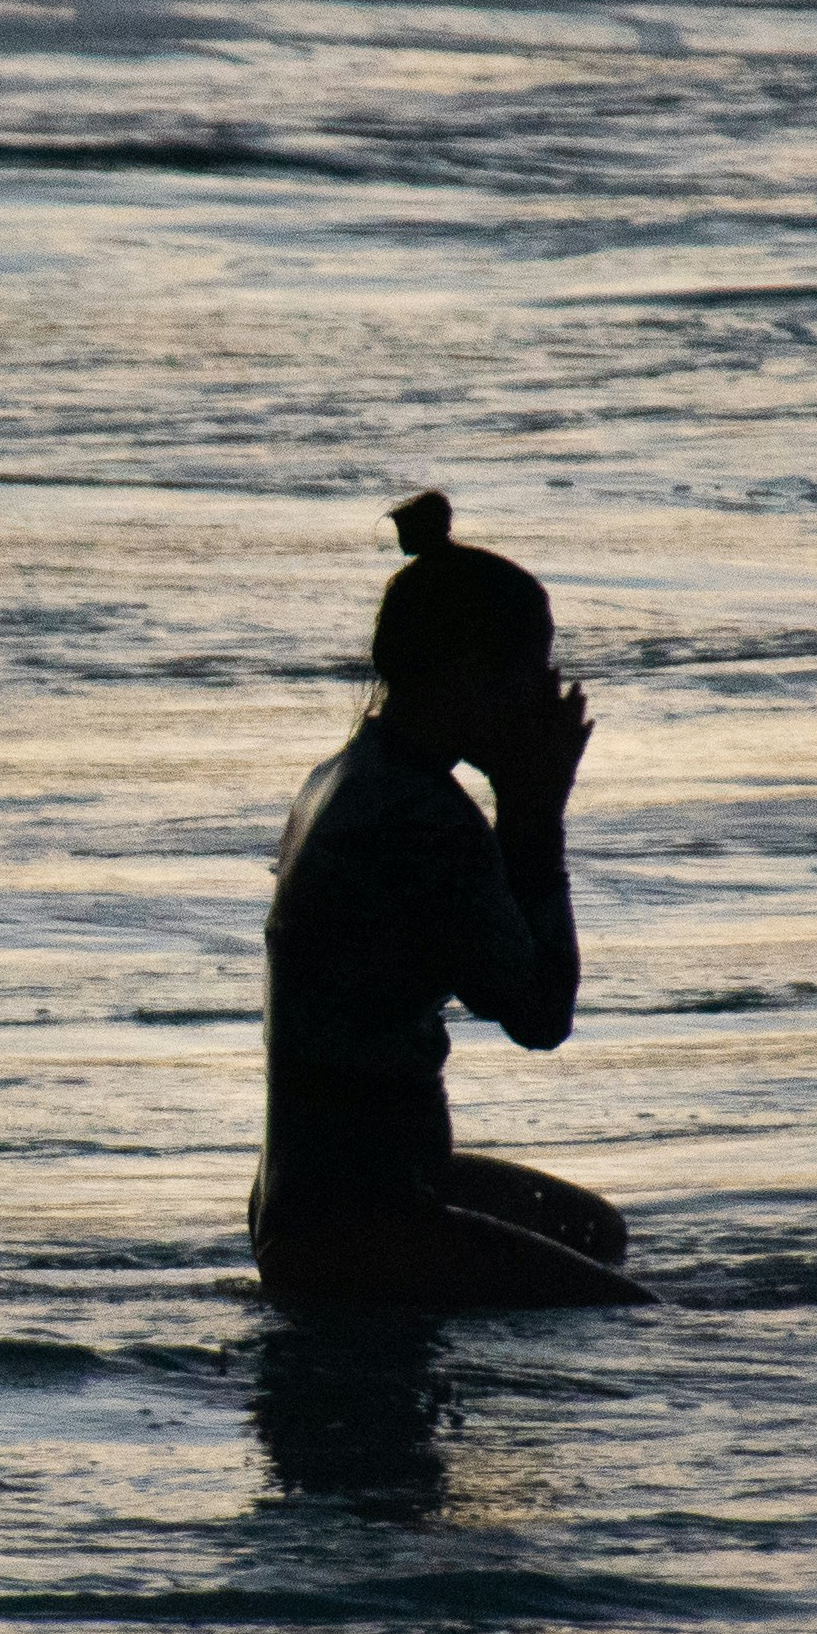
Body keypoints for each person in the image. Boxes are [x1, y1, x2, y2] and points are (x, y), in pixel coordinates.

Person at [247, 495, 653, 1309]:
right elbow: (541, 1014)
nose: (545, 696)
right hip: (361, 1222)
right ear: (468, 673)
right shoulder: (421, 818)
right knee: (629, 1316)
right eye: (530, 672)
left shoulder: (351, 775)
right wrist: (537, 817)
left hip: (311, 1196)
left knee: (592, 1235)